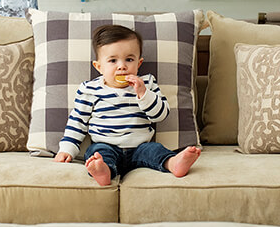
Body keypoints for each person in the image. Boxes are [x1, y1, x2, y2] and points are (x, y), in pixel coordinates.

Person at [53, 24, 201, 186]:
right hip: (106, 145)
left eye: (129, 59)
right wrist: (67, 149)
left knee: (155, 150)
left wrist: (143, 94)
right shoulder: (90, 90)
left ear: (139, 63)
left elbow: (161, 115)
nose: (122, 66)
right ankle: (103, 171)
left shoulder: (147, 84)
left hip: (140, 147)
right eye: (113, 60)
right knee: (97, 154)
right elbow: (77, 122)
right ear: (99, 66)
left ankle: (173, 163)